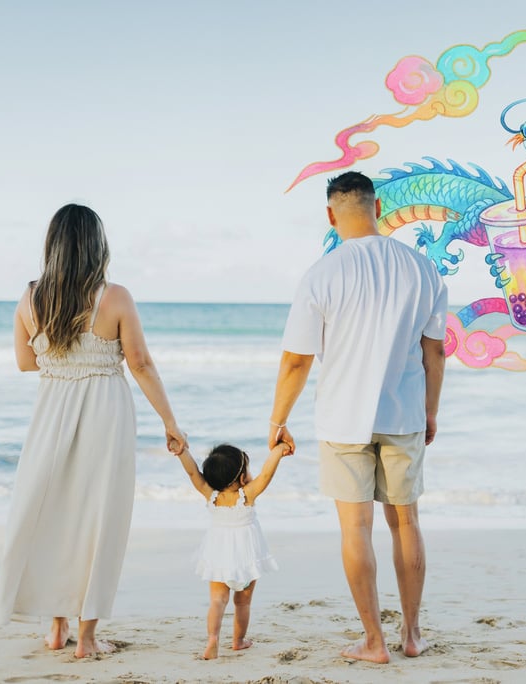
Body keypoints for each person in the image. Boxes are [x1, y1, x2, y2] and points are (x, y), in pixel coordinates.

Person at [0, 203, 186, 658]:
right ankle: (88, 637)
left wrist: (63, 357)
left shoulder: (30, 298)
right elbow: (139, 363)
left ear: (52, 245)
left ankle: (56, 628)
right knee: (100, 519)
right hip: (105, 411)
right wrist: (170, 423)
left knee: (55, 516)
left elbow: (25, 362)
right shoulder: (115, 296)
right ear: (97, 245)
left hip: (51, 412)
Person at [268, 171, 447, 663]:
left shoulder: (322, 274)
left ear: (331, 214)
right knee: (406, 524)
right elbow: (435, 353)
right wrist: (430, 410)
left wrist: (277, 418)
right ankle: (412, 635)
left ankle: (374, 641)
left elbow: (296, 361)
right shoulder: (422, 269)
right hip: (404, 412)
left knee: (355, 530)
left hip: (342, 418)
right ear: (378, 207)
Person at [174, 441, 291, 659]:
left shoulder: (211, 495)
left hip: (218, 555)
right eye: (247, 468)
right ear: (241, 478)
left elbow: (192, 472)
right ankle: (238, 641)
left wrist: (182, 452)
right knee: (243, 602)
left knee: (217, 600)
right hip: (247, 558)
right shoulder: (247, 495)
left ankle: (212, 640)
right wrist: (278, 452)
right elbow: (267, 475)